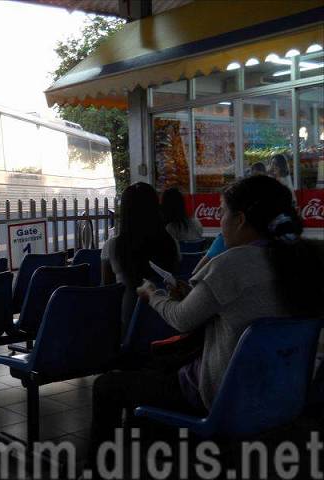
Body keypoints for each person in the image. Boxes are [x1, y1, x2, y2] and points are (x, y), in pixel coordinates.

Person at [89, 176, 324, 474]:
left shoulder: (231, 263)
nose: (221, 221)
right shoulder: (305, 259)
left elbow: (181, 320)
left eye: (223, 212)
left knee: (108, 385)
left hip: (223, 395)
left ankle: (98, 469)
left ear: (240, 219)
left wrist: (154, 295)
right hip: (283, 393)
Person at [100, 182, 179, 333]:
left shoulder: (113, 246)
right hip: (168, 325)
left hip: (129, 328)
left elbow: (106, 292)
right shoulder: (171, 243)